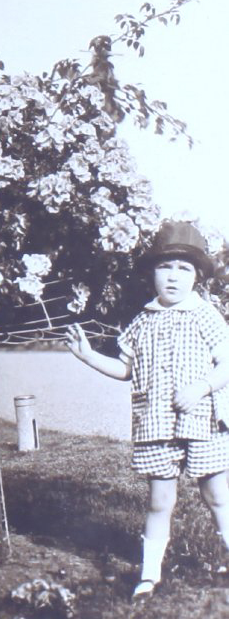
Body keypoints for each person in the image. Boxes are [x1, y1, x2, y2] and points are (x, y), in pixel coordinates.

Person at [65, 221, 229, 599]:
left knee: (217, 494)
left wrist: (201, 387)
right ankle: (149, 575)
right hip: (156, 423)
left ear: (198, 277)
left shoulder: (205, 315)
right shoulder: (141, 322)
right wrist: (89, 356)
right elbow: (125, 370)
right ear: (152, 273)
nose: (173, 277)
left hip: (201, 420)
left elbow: (225, 364)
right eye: (165, 267)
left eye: (183, 269)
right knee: (159, 501)